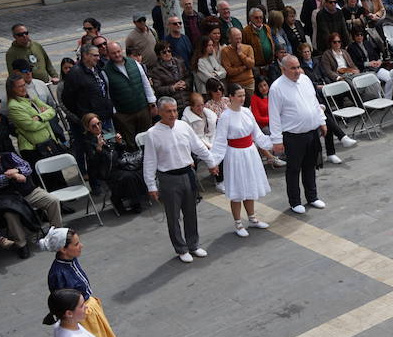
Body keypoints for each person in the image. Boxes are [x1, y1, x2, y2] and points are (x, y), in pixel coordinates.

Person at [144, 97, 214, 262]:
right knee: (173, 216)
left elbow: (198, 146)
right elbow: (149, 161)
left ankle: (193, 245)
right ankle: (181, 248)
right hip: (168, 178)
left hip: (188, 174)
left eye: (175, 110)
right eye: (168, 111)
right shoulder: (152, 134)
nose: (173, 114)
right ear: (159, 112)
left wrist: (211, 162)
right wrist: (151, 185)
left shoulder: (183, 126)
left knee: (191, 213)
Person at [209, 82, 274, 236]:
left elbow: (257, 134)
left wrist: (274, 142)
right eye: (239, 96)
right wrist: (214, 162)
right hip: (235, 155)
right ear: (230, 97)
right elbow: (220, 142)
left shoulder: (246, 112)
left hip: (250, 153)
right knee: (237, 189)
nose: (242, 98)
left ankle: (252, 218)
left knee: (250, 185)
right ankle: (238, 224)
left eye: (244, 95)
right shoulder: (225, 117)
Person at [0, 143, 61, 249]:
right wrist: (13, 175)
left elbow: (27, 167)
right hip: (9, 199)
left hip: (30, 192)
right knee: (10, 215)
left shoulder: (9, 155)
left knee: (53, 201)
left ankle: (57, 233)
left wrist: (18, 170)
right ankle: (22, 244)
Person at [268, 54, 327, 214]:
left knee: (310, 166)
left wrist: (322, 121)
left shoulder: (305, 80)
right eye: (293, 68)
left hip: (311, 132)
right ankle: (295, 202)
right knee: (294, 169)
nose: (297, 71)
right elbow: (274, 116)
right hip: (293, 135)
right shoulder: (276, 88)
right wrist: (277, 140)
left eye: (298, 67)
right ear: (283, 69)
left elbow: (314, 102)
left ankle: (312, 197)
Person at [77, 113, 146, 214]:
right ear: (87, 128)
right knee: (129, 176)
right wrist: (99, 149)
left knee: (139, 171)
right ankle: (126, 200)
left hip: (118, 163)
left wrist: (119, 142)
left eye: (98, 123)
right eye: (93, 126)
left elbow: (120, 150)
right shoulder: (87, 142)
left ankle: (140, 197)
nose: (97, 127)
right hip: (105, 170)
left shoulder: (106, 133)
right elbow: (93, 162)